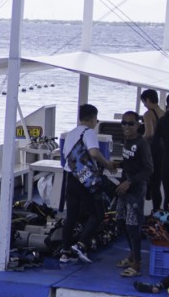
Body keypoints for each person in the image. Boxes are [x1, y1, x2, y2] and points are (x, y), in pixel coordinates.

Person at [58, 102, 116, 263]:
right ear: (92, 119)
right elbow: (94, 152)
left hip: (71, 179)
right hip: (85, 180)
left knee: (71, 216)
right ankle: (81, 245)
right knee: (97, 214)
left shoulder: (70, 134)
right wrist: (108, 164)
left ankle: (65, 252)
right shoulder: (88, 132)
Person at [114, 110, 153, 278]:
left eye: (130, 123)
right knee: (122, 223)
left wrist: (130, 182)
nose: (126, 126)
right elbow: (132, 162)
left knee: (133, 226)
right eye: (124, 123)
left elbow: (149, 168)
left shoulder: (141, 143)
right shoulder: (127, 141)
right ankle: (132, 256)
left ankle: (137, 264)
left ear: (138, 125)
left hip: (135, 190)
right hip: (124, 190)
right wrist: (119, 163)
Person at [139, 88, 165, 210]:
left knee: (149, 181)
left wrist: (139, 142)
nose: (144, 105)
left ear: (148, 100)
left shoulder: (148, 114)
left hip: (153, 151)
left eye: (144, 102)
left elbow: (149, 133)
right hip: (164, 151)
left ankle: (144, 208)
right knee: (157, 183)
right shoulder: (164, 113)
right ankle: (157, 210)